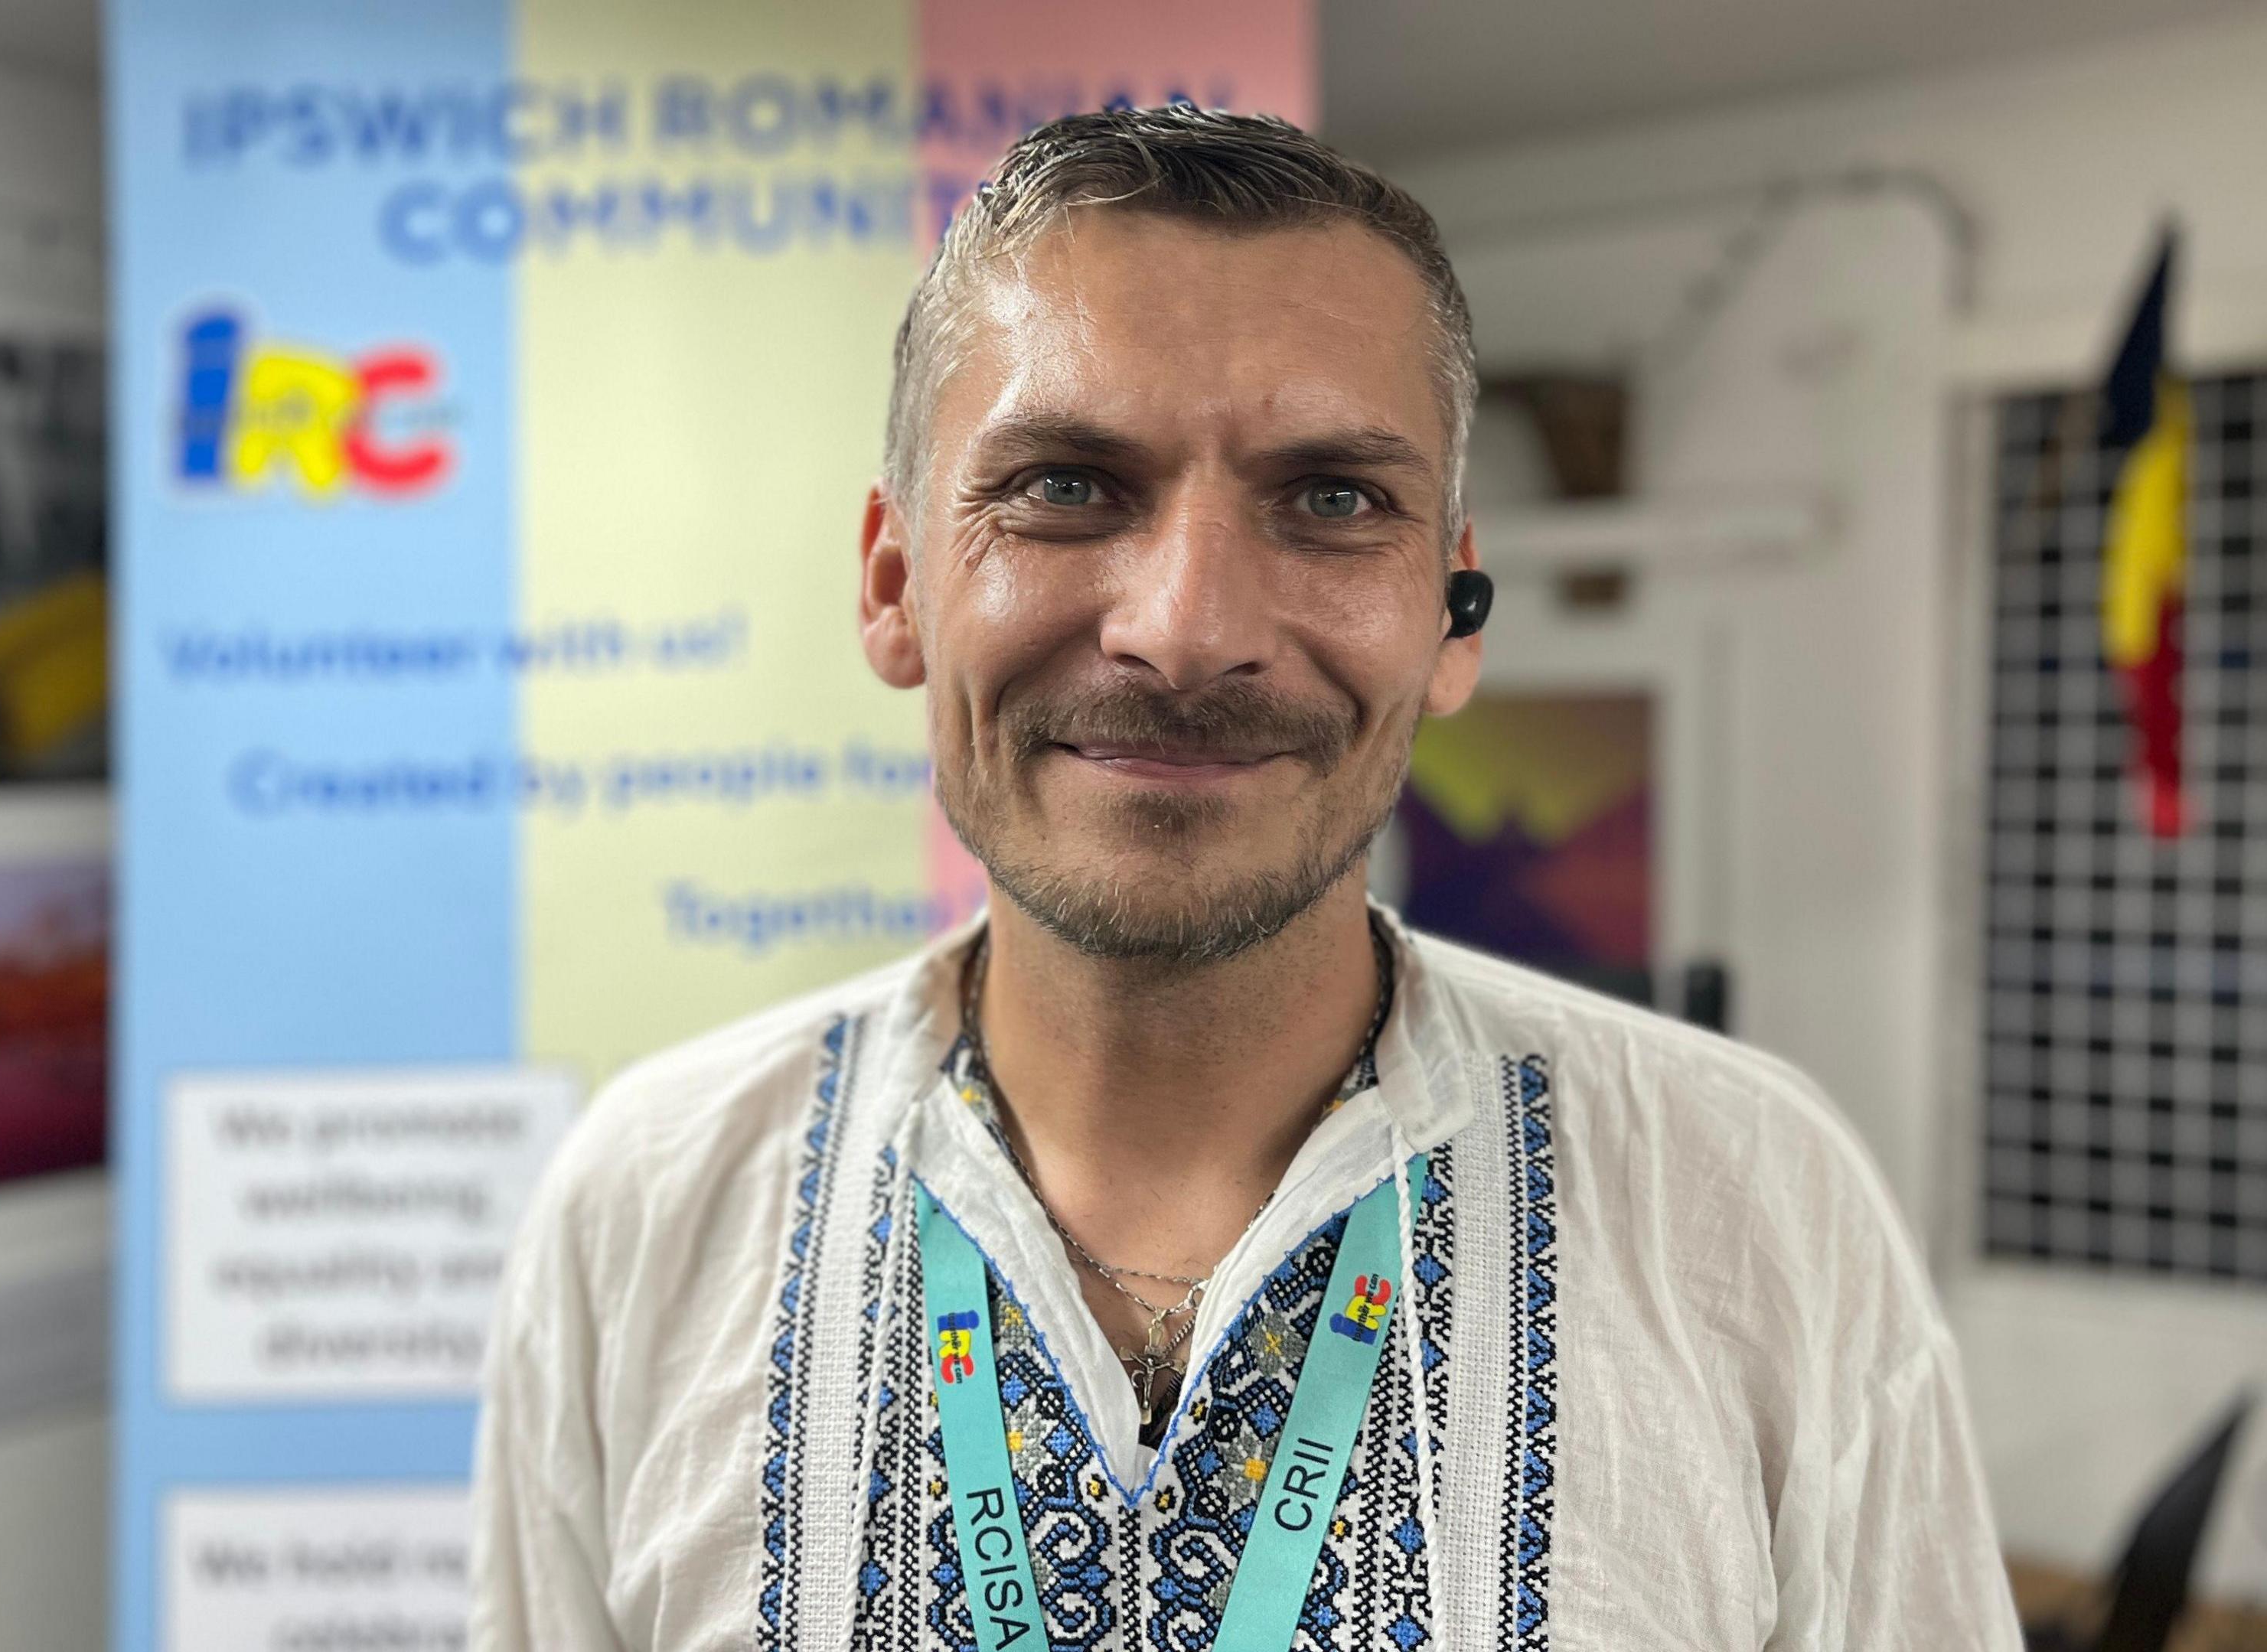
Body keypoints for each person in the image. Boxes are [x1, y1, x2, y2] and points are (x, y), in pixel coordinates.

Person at [470, 106, 2018, 1651]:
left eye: (1334, 499)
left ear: (1456, 615)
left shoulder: (1753, 1215)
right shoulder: (655, 1207)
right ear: (895, 587)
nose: (1189, 626)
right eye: (1067, 484)